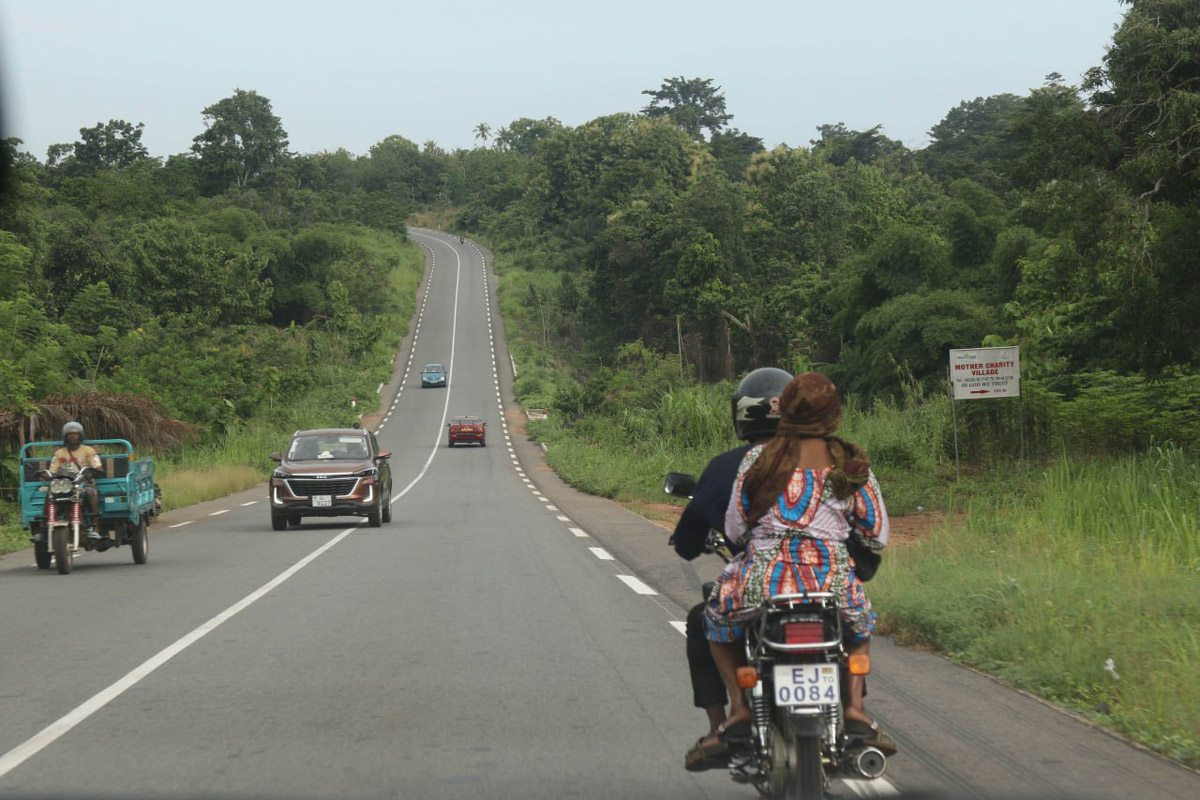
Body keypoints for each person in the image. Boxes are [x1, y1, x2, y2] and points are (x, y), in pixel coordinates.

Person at [700, 372, 895, 757]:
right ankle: (855, 707)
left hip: (764, 581)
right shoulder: (852, 464)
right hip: (831, 582)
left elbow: (736, 528)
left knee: (715, 620)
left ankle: (739, 709)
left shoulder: (758, 459)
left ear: (785, 409)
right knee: (860, 627)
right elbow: (876, 536)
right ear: (834, 413)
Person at [674, 367, 793, 771]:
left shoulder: (731, 467)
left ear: (743, 416)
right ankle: (854, 707)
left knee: (705, 618)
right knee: (852, 623)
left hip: (756, 582)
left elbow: (704, 531)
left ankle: (724, 721)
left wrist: (694, 544)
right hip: (824, 580)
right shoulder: (826, 459)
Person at [45, 421, 103, 539]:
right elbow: (52, 470)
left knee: (91, 493)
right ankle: (44, 526)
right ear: (65, 437)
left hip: (83, 483)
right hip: (64, 484)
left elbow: (98, 467)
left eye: (75, 434)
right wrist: (46, 474)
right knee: (49, 494)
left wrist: (94, 470)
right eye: (69, 434)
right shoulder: (59, 453)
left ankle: (96, 527)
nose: (72, 436)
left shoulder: (89, 451)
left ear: (80, 435)